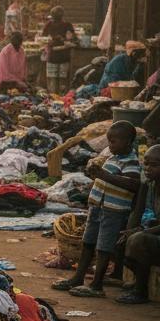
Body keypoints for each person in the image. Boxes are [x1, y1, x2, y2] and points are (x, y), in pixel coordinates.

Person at [54, 121, 142, 298]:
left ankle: (97, 285)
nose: (110, 145)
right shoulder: (113, 158)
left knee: (104, 247)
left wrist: (103, 175)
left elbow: (133, 184)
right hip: (98, 207)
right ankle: (78, 277)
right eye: (109, 141)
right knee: (88, 242)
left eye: (113, 142)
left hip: (114, 211)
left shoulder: (131, 161)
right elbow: (105, 180)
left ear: (128, 142)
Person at [115, 144, 160, 304]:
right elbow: (139, 210)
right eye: (145, 164)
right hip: (154, 233)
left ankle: (140, 291)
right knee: (122, 238)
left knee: (138, 240)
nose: (147, 168)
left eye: (154, 165)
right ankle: (139, 280)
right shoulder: (151, 184)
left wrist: (140, 232)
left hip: (153, 236)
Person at [42, 6, 76, 94]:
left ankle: (52, 97)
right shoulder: (68, 25)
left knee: (52, 80)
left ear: (52, 16)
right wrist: (65, 40)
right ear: (62, 16)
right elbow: (73, 38)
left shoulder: (49, 24)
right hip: (64, 56)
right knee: (62, 79)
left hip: (52, 56)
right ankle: (62, 98)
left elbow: (43, 37)